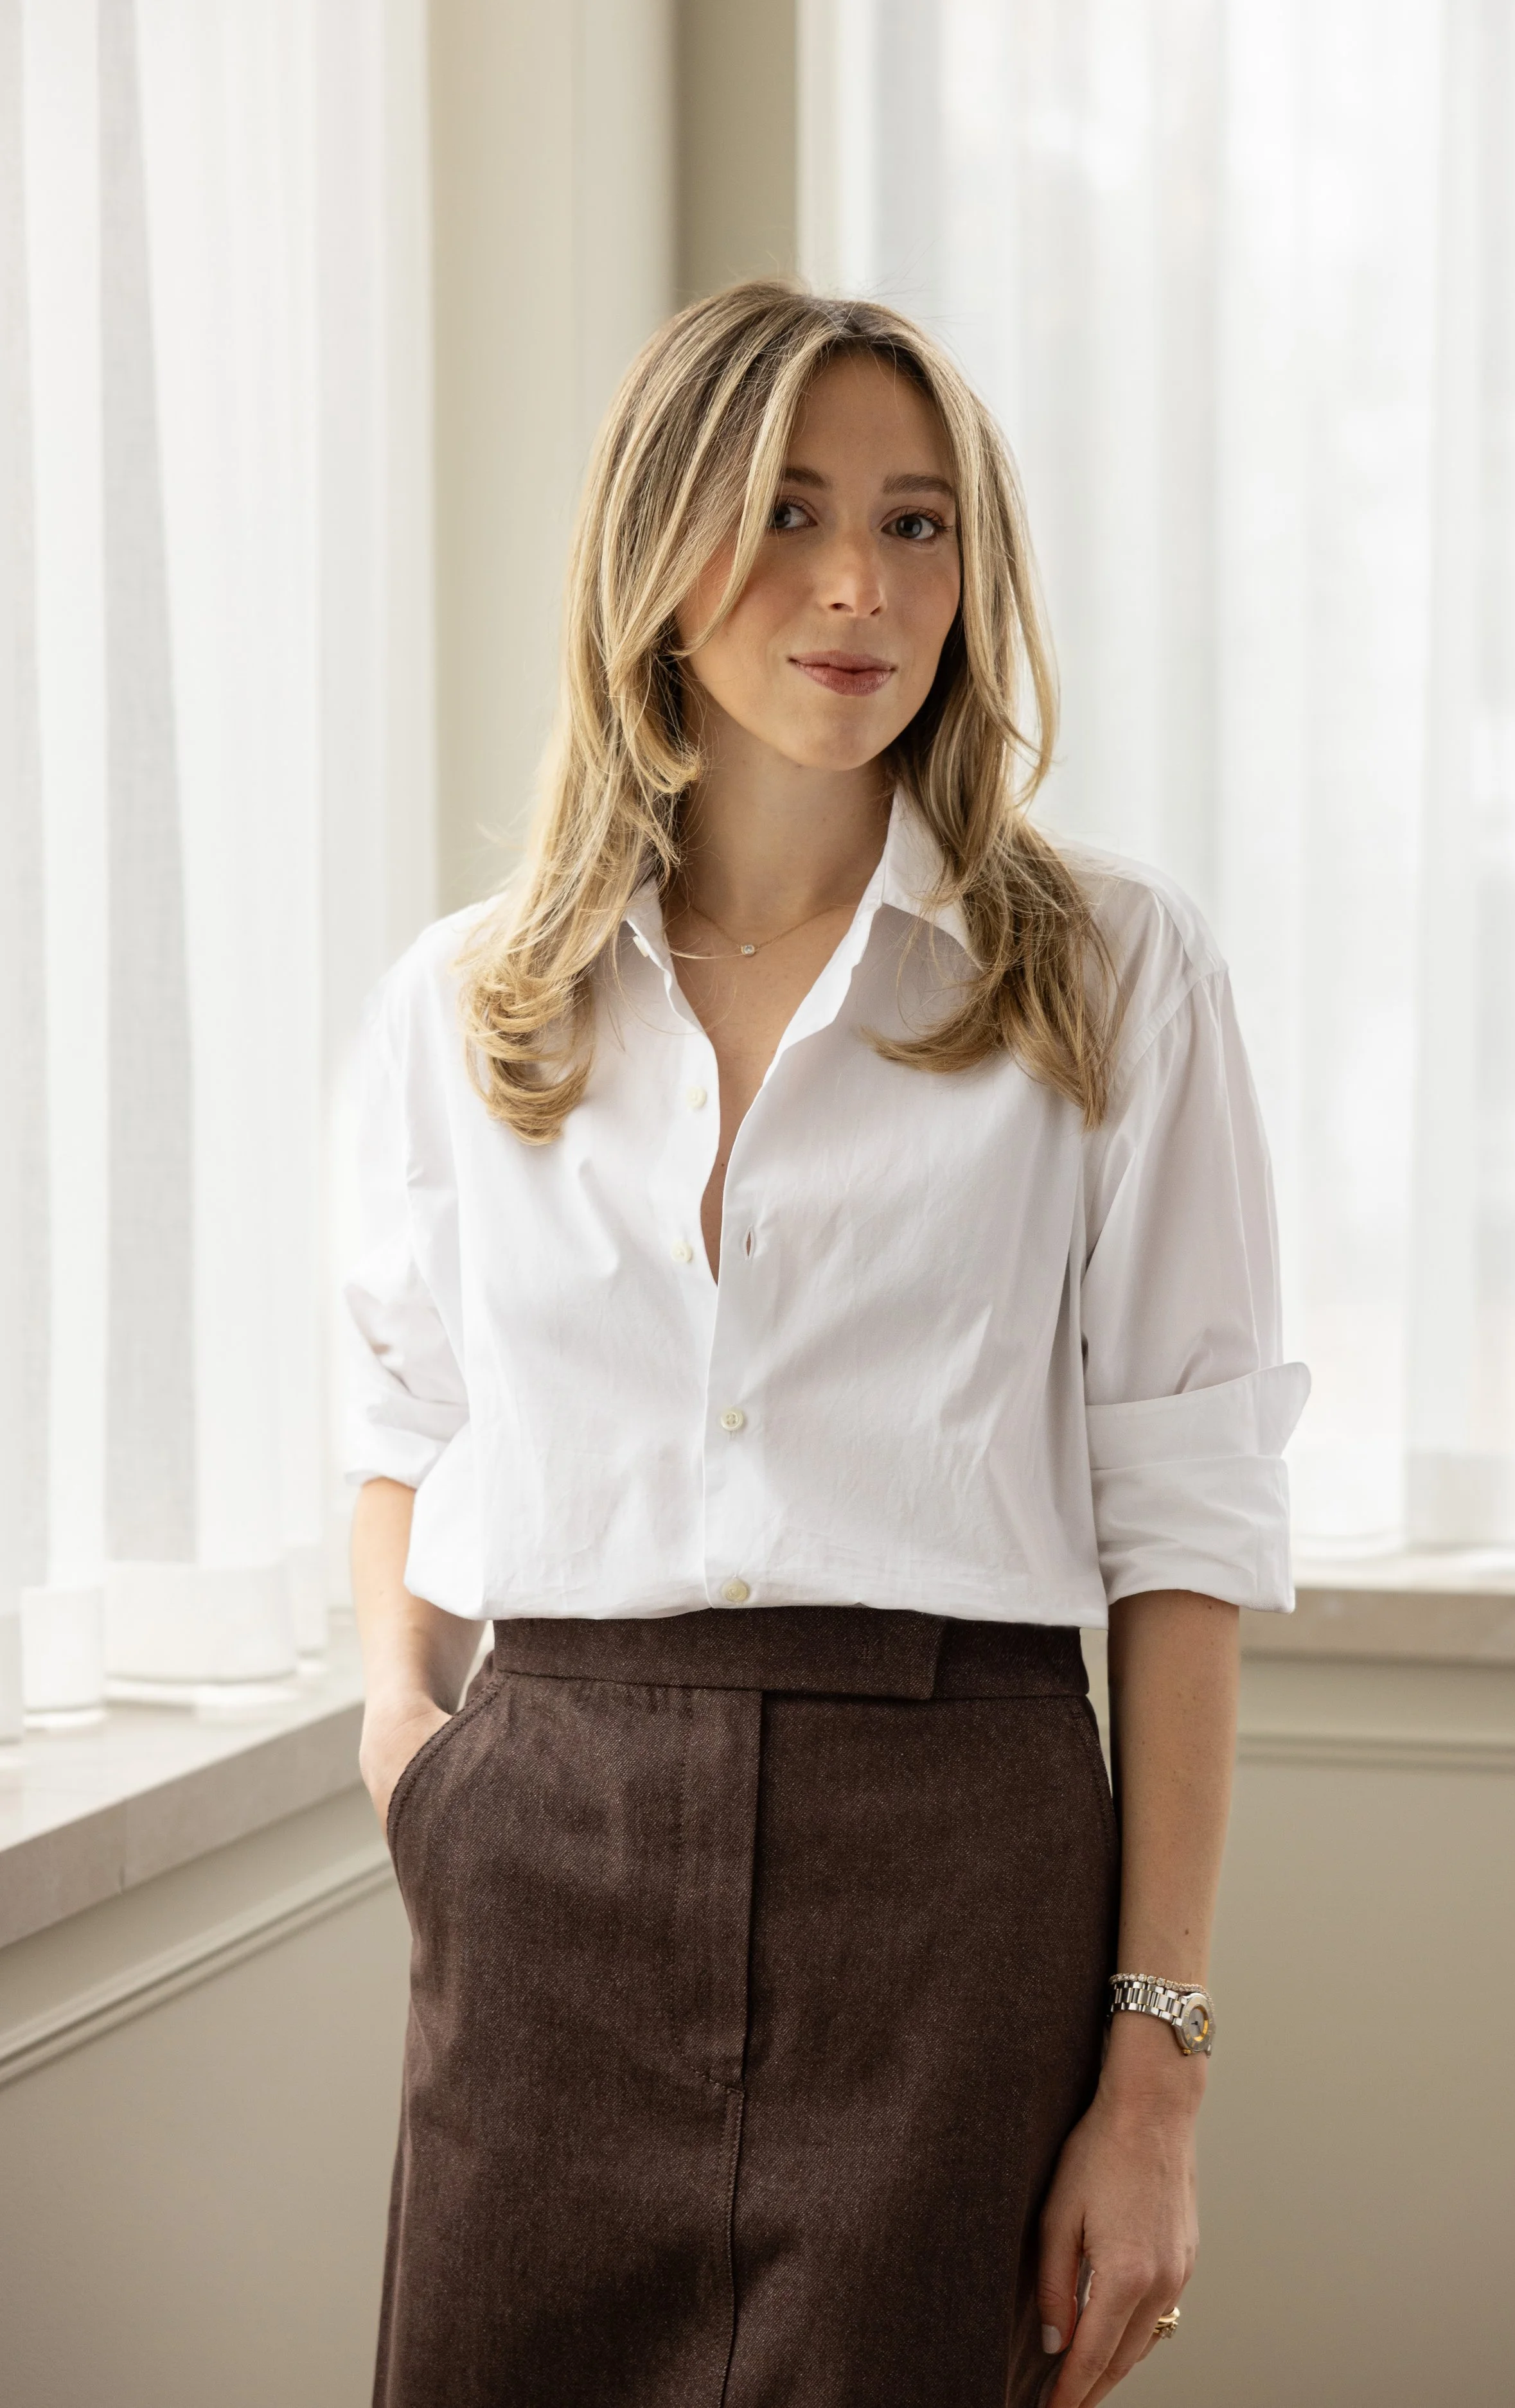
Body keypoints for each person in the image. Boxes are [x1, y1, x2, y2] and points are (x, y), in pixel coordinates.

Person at [344, 280, 1309, 2408]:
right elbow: (408, 1409)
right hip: (547, 1849)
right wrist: (407, 1743)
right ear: (653, 544)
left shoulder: (1109, 970)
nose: (858, 583)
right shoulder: (468, 999)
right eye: (782, 510)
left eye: (915, 521)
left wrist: (1152, 2078)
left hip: (951, 1867)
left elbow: (1185, 1520)